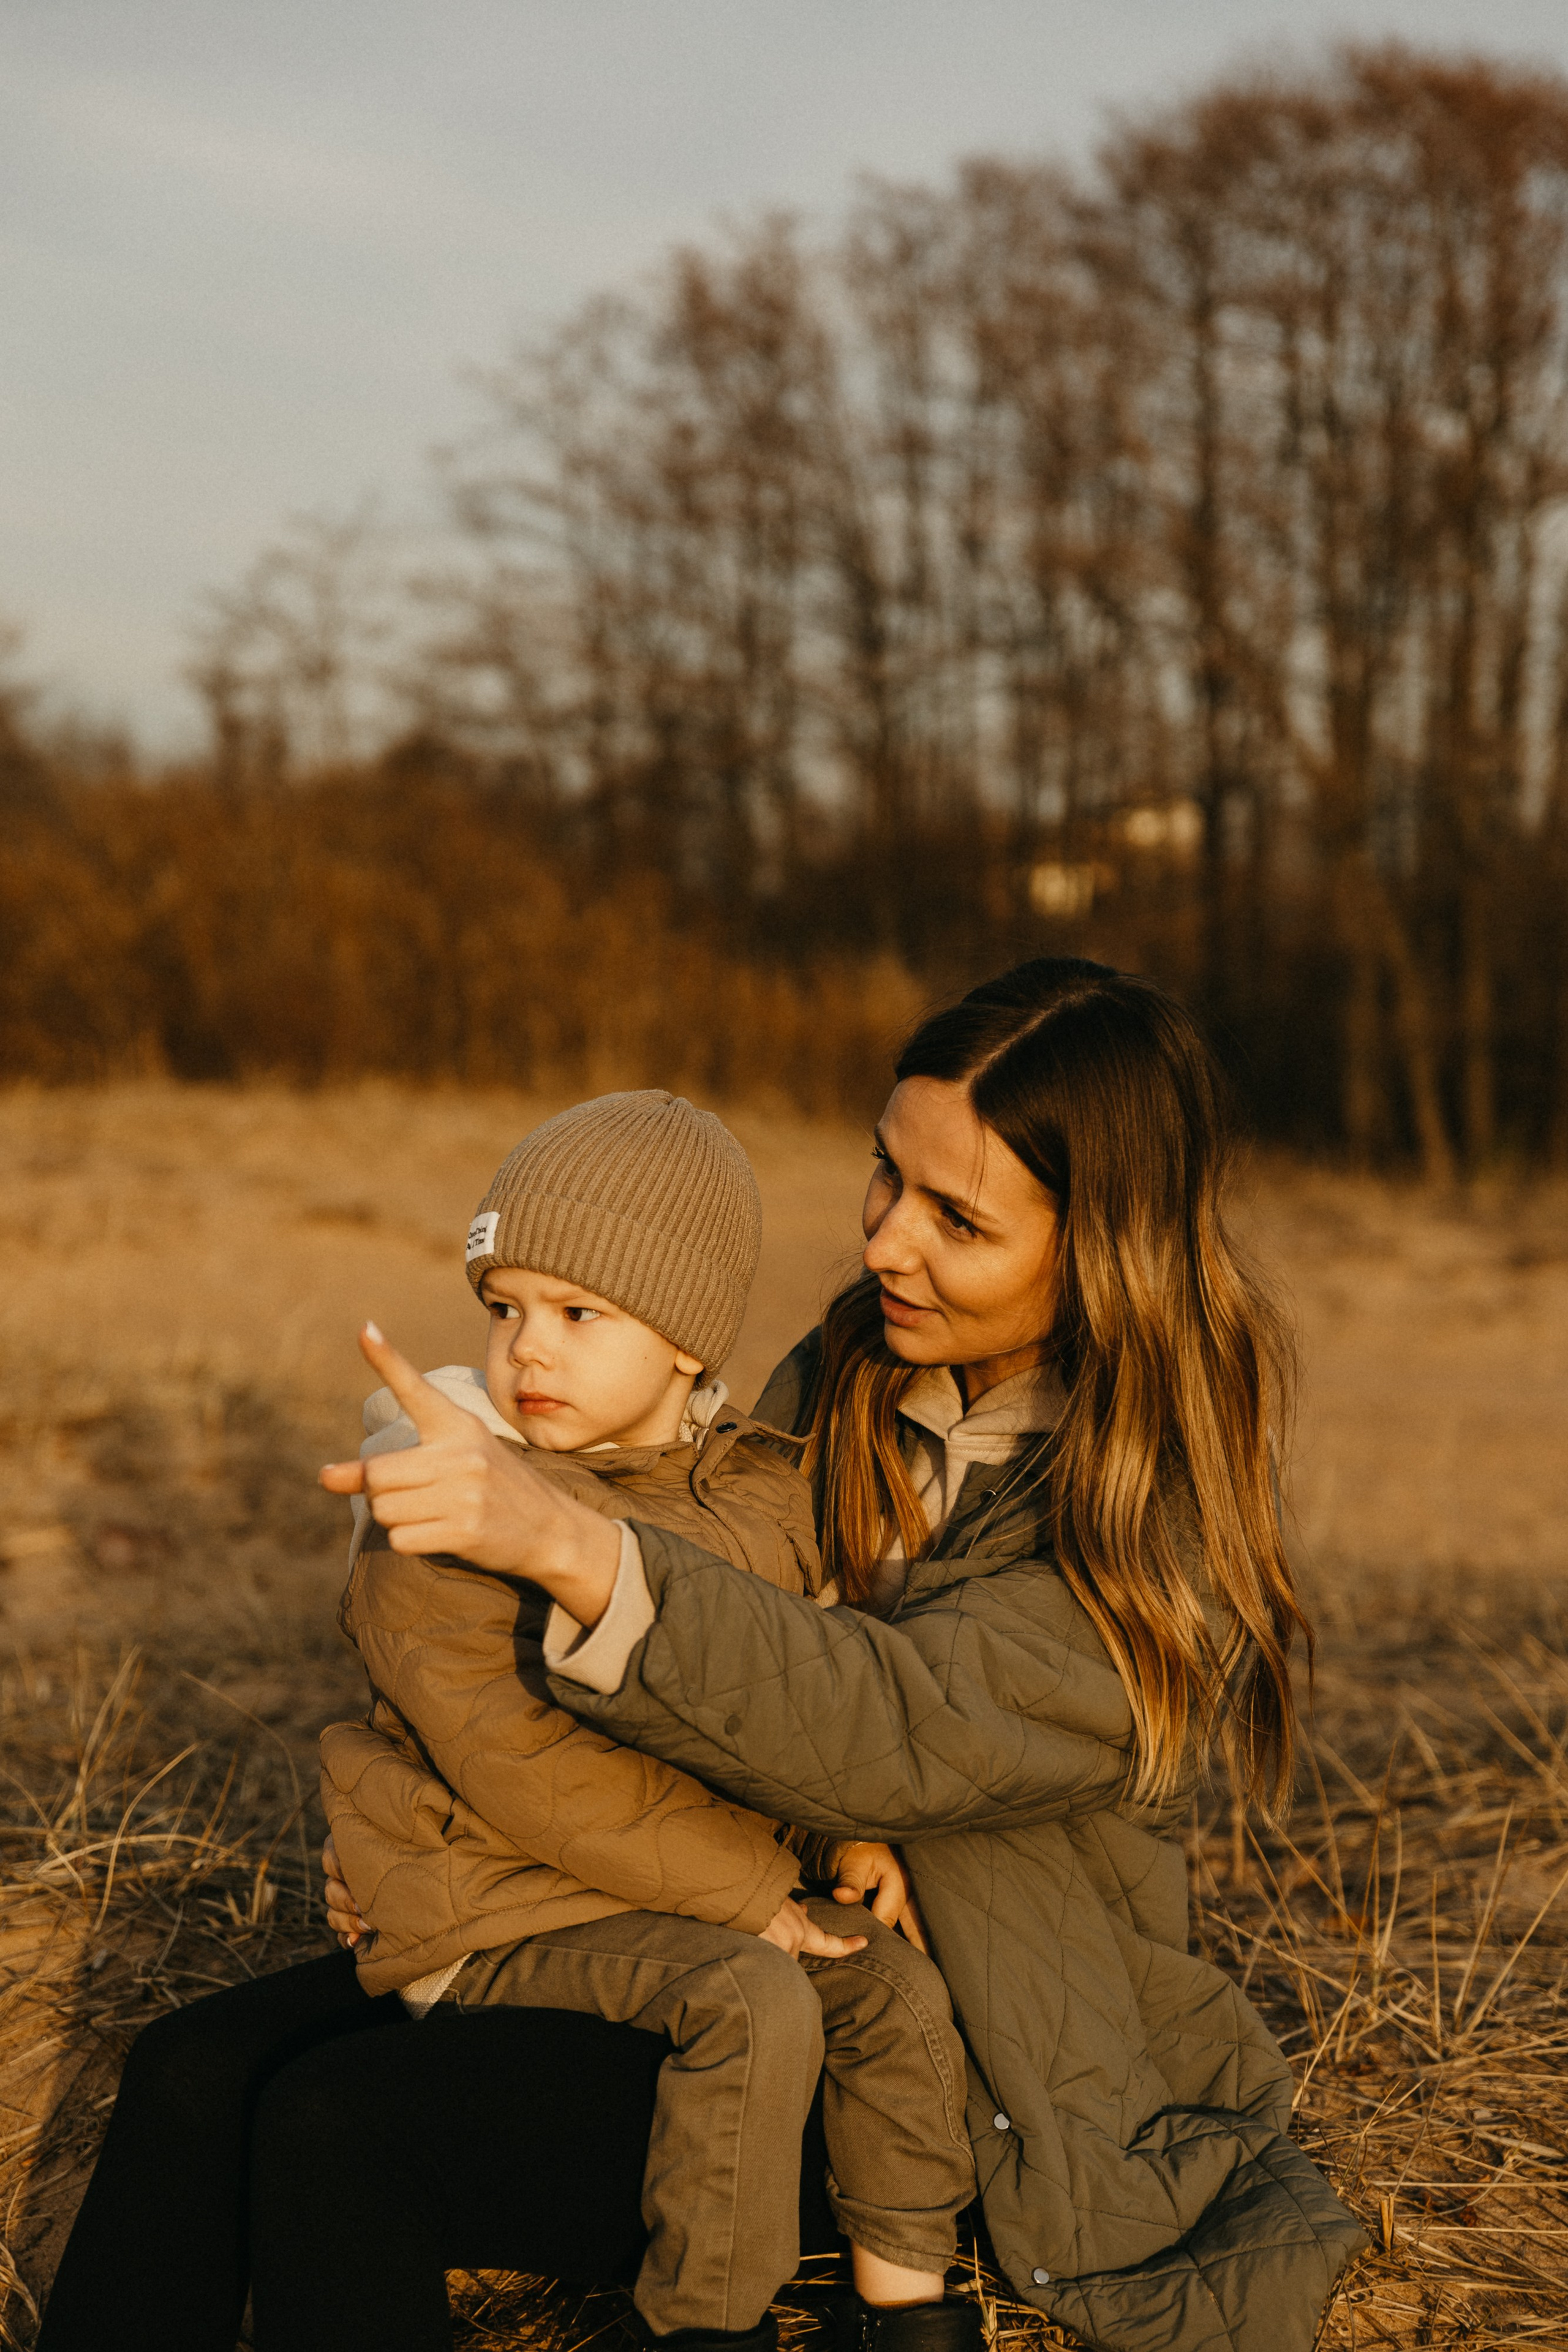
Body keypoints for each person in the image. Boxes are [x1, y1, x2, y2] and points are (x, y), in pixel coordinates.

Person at [40, 957, 1367, 2352]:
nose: (883, 1247)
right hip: (697, 1909)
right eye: (884, 1177)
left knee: (338, 2132)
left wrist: (574, 1552)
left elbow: (885, 1726)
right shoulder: (849, 1369)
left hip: (936, 2047)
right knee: (190, 2073)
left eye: (957, 1219)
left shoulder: (1142, 1520)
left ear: (1099, 1246)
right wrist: (420, 1831)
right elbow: (650, 1643)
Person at [319, 1090, 979, 2352]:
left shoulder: (757, 1493)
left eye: (579, 1313)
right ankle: (696, 2329)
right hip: (500, 1901)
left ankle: (907, 2317)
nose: (529, 1353)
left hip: (672, 1894)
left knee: (889, 1987)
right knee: (755, 1997)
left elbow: (804, 1688)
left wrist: (843, 1834)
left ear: (684, 1345)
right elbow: (532, 1775)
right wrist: (752, 1897)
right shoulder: (463, 1511)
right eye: (504, 1309)